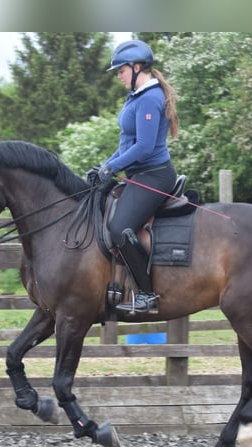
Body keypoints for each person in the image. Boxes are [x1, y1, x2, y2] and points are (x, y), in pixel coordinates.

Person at [97, 39, 180, 314]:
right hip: (138, 173)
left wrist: (113, 167)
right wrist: (106, 165)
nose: (118, 76)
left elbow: (144, 147)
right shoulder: (136, 97)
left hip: (154, 175)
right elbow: (126, 143)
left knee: (120, 229)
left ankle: (146, 293)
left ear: (136, 67)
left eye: (120, 71)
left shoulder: (150, 98)